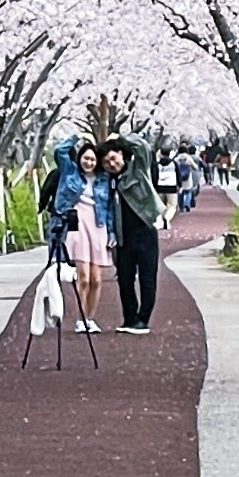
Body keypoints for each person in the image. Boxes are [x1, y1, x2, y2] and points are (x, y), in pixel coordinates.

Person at [105, 136, 163, 332]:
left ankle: (143, 319)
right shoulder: (107, 181)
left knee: (148, 277)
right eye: (106, 163)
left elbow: (142, 146)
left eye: (113, 158)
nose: (112, 165)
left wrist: (121, 139)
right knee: (124, 278)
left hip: (145, 231)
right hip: (123, 237)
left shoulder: (138, 169)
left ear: (121, 154)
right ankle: (130, 319)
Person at [53, 138, 111, 326]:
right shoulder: (70, 172)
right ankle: (80, 319)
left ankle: (90, 318)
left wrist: (111, 233)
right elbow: (60, 151)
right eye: (86, 158)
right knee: (83, 278)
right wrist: (76, 137)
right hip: (77, 225)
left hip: (98, 226)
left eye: (93, 159)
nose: (89, 162)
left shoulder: (104, 179)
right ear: (79, 159)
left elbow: (109, 208)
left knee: (96, 279)